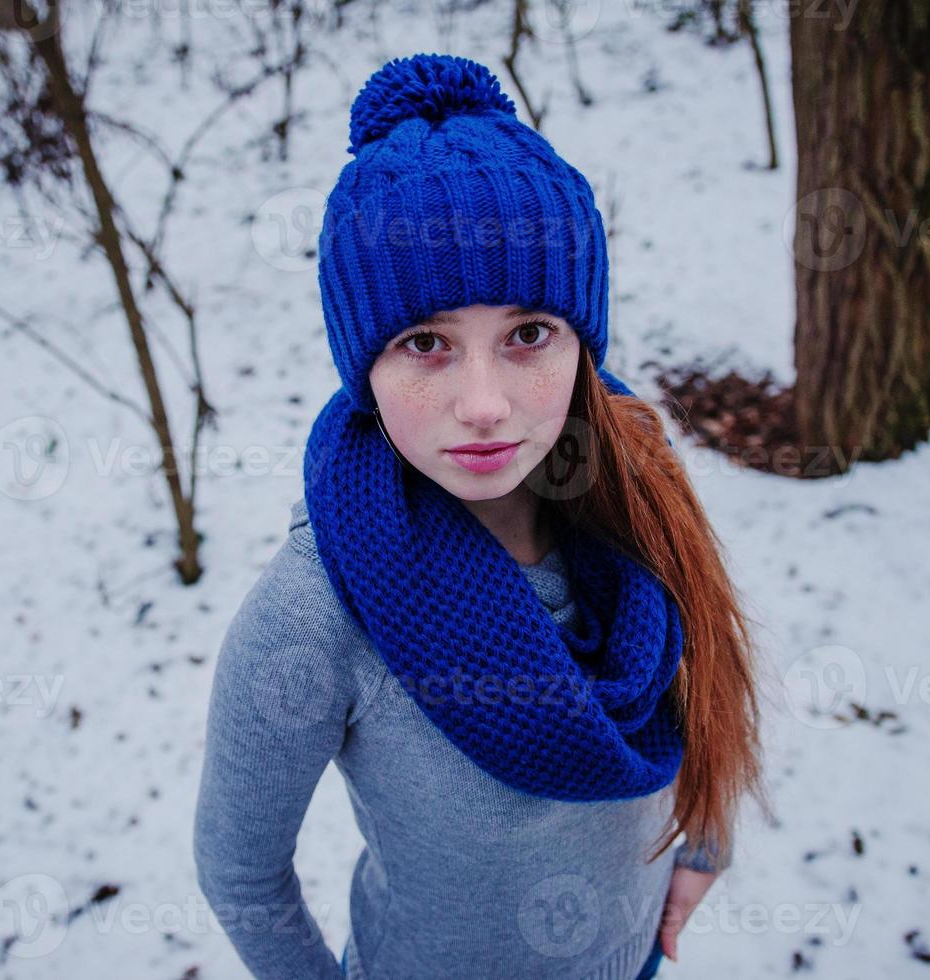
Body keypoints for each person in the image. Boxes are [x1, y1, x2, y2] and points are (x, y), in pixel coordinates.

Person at [193, 53, 769, 979]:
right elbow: (241, 871)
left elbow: (708, 679)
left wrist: (706, 842)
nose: (487, 404)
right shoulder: (316, 616)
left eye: (527, 335)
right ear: (363, 368)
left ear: (582, 340)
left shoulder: (636, 496)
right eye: (426, 343)